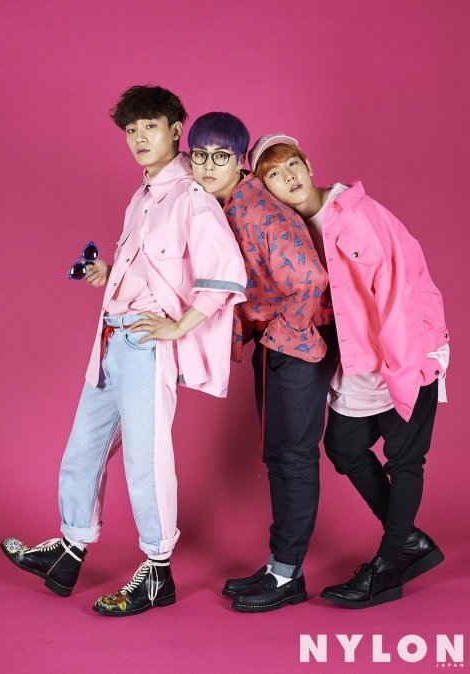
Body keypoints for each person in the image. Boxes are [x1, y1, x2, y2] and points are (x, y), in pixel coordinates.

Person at [0, 86, 246, 617]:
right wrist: (108, 274)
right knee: (82, 449)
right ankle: (68, 551)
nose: (138, 138)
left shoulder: (192, 197)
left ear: (176, 130)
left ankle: (157, 570)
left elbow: (226, 276)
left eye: (149, 126)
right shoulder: (143, 196)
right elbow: (157, 268)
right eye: (131, 130)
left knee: (145, 457)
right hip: (110, 337)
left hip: (143, 344)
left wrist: (177, 327)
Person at [251, 133, 449, 608]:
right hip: (361, 356)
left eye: (292, 164)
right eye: (273, 174)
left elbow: (399, 292)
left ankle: (388, 566)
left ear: (308, 163)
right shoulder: (294, 230)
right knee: (343, 446)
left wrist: (404, 366)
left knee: (405, 460)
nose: (287, 177)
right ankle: (408, 540)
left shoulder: (357, 215)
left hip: (407, 348)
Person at [188, 114, 338, 613]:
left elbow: (311, 278)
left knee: (292, 456)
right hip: (277, 341)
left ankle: (287, 575)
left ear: (240, 162)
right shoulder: (227, 206)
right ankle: (280, 563)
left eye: (221, 156)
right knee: (277, 455)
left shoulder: (257, 210)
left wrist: (279, 335)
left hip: (299, 341)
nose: (208, 166)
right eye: (200, 156)